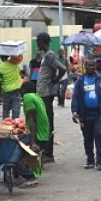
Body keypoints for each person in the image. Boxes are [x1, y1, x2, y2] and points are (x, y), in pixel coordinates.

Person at [71, 57, 101, 171]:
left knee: (99, 136)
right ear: (84, 66)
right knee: (87, 139)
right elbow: (75, 97)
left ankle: (99, 162)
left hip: (99, 115)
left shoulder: (100, 80)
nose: (90, 68)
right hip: (85, 115)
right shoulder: (80, 81)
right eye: (88, 66)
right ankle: (90, 160)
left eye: (92, 65)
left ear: (95, 66)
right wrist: (74, 112)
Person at [36, 33, 66, 163]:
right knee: (45, 121)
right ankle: (46, 151)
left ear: (42, 41)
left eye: (38, 41)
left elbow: (63, 69)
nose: (37, 43)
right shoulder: (47, 55)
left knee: (47, 122)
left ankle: (48, 153)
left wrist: (55, 81)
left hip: (46, 93)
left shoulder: (49, 55)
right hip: (43, 92)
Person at [20, 80, 48, 185]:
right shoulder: (37, 96)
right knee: (20, 139)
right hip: (44, 134)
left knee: (14, 151)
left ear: (23, 90)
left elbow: (32, 120)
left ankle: (30, 177)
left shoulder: (28, 97)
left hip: (38, 136)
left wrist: (33, 142)